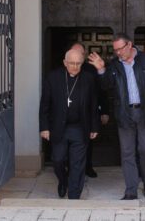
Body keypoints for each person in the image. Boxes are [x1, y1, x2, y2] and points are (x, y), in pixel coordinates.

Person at [88, 33, 145, 200]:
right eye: (115, 49)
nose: (118, 53)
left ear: (130, 45)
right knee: (127, 153)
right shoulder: (114, 65)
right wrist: (101, 69)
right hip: (125, 114)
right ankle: (131, 189)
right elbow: (105, 87)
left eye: (120, 49)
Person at [39, 49, 99, 199]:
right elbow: (44, 105)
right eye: (71, 63)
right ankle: (63, 181)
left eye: (78, 63)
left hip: (79, 127)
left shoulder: (88, 78)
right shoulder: (53, 78)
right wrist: (44, 127)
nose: (75, 67)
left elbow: (93, 105)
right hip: (59, 128)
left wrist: (94, 127)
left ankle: (74, 196)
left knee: (77, 163)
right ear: (65, 63)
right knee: (58, 159)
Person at [70, 42, 110, 178]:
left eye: (80, 53)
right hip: (69, 115)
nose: (77, 56)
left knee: (87, 142)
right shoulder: (63, 69)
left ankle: (88, 167)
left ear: (84, 55)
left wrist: (104, 111)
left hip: (88, 113)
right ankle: (71, 168)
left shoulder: (92, 69)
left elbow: (101, 91)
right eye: (74, 52)